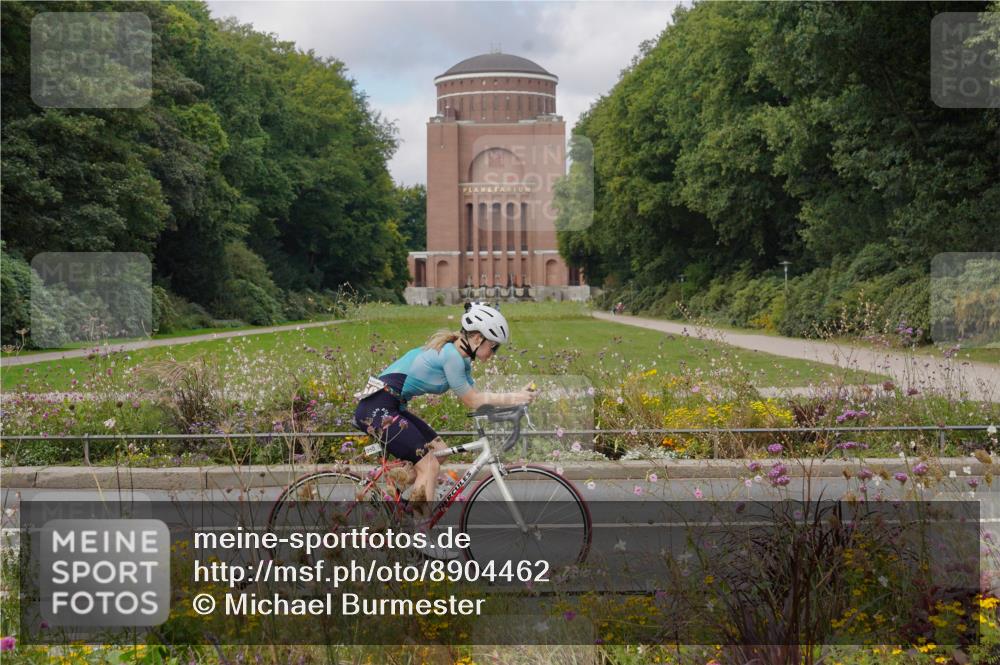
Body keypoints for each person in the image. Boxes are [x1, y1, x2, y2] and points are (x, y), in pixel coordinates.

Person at [353, 302, 536, 517]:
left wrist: (514, 402)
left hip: (391, 406)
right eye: (494, 346)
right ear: (477, 338)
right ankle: (420, 534)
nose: (494, 353)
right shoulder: (452, 357)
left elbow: (479, 399)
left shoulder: (462, 360)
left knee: (438, 451)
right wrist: (515, 397)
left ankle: (396, 499)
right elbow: (473, 400)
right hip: (376, 408)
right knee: (429, 465)